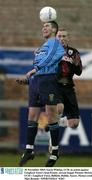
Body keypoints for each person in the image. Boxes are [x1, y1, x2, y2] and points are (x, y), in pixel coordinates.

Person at [16, 21, 65, 167]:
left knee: (51, 116)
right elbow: (42, 62)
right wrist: (29, 80)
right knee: (32, 115)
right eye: (43, 26)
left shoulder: (55, 44)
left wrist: (34, 69)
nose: (44, 28)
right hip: (36, 82)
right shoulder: (41, 47)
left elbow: (49, 60)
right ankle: (29, 150)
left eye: (47, 26)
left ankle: (55, 152)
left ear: (54, 30)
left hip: (48, 81)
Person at [45, 29, 82, 152]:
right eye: (59, 36)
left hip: (69, 87)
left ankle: (58, 122)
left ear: (68, 38)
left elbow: (79, 72)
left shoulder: (73, 52)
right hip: (55, 85)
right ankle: (52, 141)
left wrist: (76, 63)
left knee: (74, 124)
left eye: (64, 36)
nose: (61, 38)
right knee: (59, 107)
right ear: (56, 38)